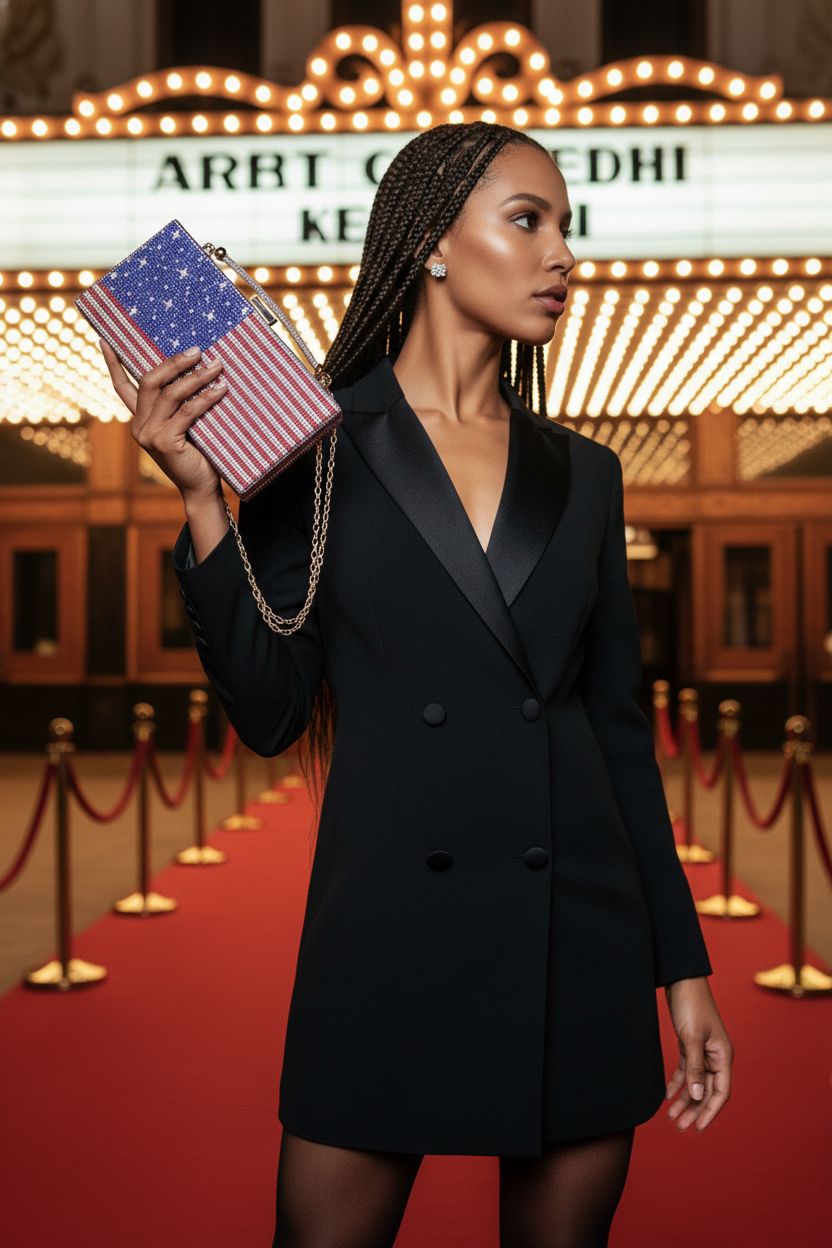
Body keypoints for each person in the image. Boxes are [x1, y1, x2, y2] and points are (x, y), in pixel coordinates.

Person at [101, 121, 734, 1248]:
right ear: (433, 242)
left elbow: (616, 736)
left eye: (566, 227)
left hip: (574, 933)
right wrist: (201, 500)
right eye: (527, 221)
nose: (563, 256)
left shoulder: (586, 474)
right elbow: (271, 712)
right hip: (388, 933)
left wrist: (681, 970)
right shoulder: (312, 446)